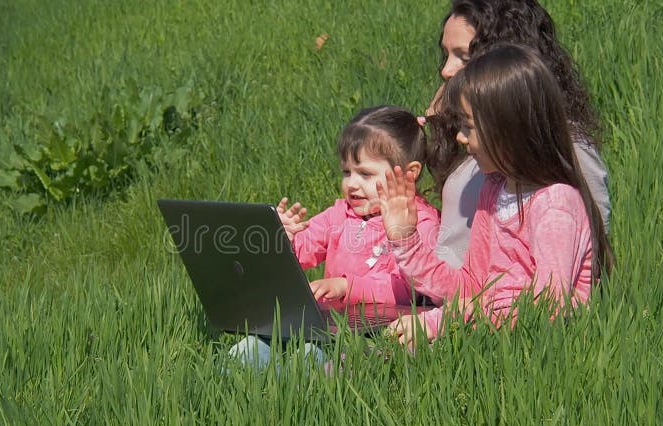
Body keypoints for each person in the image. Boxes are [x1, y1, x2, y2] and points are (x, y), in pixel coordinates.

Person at [379, 44, 614, 349]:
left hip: (533, 356)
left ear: (509, 129)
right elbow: (471, 289)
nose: (461, 138)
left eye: (469, 127)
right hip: (486, 339)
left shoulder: (556, 204)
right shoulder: (494, 191)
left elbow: (548, 310)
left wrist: (445, 320)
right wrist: (406, 240)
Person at [229, 105, 441, 368]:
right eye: (346, 172)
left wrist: (346, 287)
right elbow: (303, 253)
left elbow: (407, 288)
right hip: (326, 322)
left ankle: (291, 402)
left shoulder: (419, 221)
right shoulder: (339, 214)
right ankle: (223, 392)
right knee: (250, 347)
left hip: (378, 331)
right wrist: (282, 240)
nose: (352, 184)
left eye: (365, 174)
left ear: (409, 174)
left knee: (309, 358)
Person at [424, 0, 611, 269]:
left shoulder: (561, 142)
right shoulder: (474, 134)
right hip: (452, 297)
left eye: (463, 57)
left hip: (499, 305)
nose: (446, 70)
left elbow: (587, 246)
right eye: (446, 55)